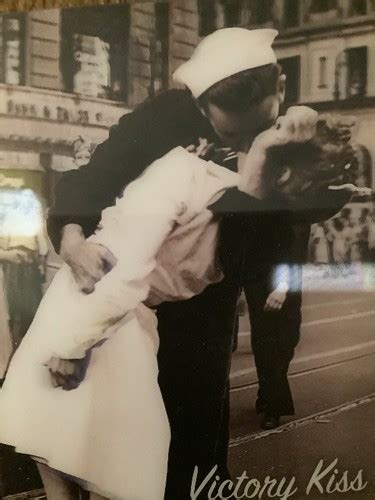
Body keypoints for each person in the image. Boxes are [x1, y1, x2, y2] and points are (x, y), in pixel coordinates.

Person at [43, 27, 348, 499]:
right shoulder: (162, 118)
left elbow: (265, 246)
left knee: (194, 441)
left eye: (257, 125)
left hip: (202, 308)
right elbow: (92, 178)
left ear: (281, 87)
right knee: (107, 450)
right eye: (231, 132)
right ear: (201, 107)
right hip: (125, 304)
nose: (249, 138)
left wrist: (273, 168)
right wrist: (70, 236)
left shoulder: (291, 133)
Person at [0, 113, 332, 499]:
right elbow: (136, 269)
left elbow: (136, 272)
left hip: (109, 311)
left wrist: (76, 344)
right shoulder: (199, 179)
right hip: (110, 310)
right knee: (75, 445)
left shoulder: (204, 182)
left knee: (79, 448)